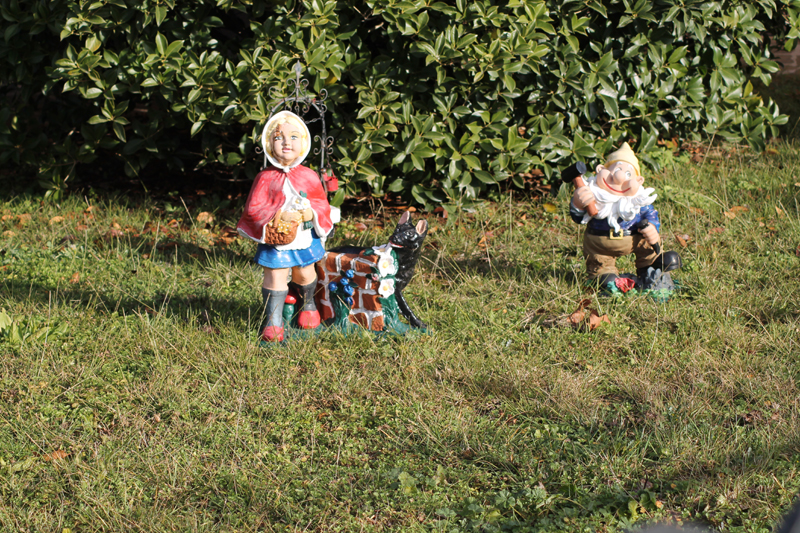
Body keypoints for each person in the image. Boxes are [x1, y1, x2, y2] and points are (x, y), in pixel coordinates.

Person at [237, 110, 338, 341]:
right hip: (276, 239)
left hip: (303, 237)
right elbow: (253, 209)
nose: (285, 142)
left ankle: (308, 304)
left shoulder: (309, 176)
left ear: (303, 143)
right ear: (269, 144)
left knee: (305, 273)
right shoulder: (265, 178)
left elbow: (321, 205)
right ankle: (273, 321)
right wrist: (277, 215)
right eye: (278, 137)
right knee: (275, 276)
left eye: (293, 137)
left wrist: (310, 213)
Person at [569, 142, 680, 292]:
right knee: (606, 279)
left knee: (649, 249)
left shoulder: (638, 200)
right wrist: (577, 203)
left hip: (635, 239)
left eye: (628, 174)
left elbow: (650, 214)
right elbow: (578, 218)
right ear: (600, 170)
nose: (619, 177)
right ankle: (603, 275)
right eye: (615, 170)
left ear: (639, 181)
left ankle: (650, 268)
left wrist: (652, 227)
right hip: (600, 245)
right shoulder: (592, 196)